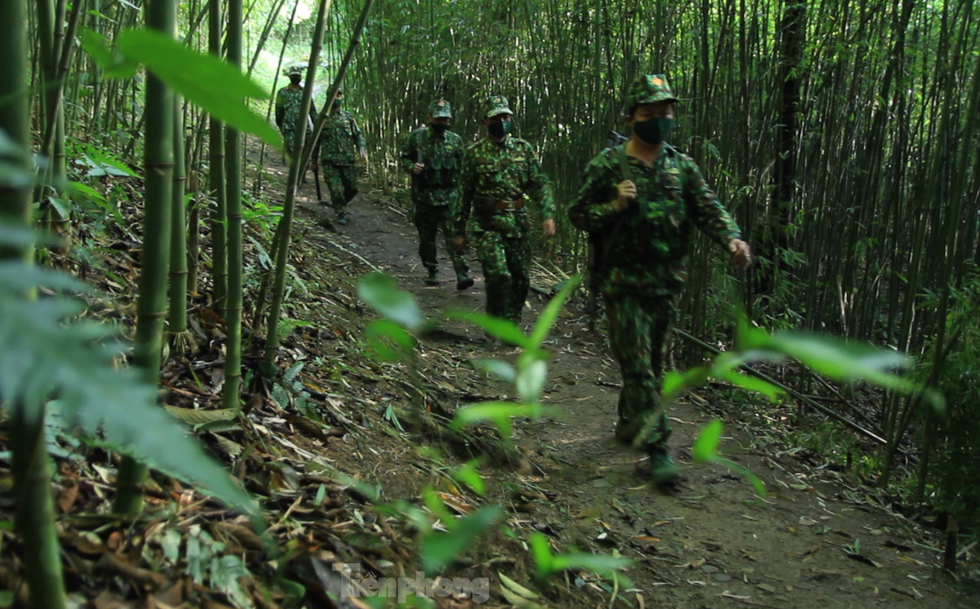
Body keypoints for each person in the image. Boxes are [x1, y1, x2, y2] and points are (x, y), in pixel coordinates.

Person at [568, 75, 752, 485]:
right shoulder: (608, 165)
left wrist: (733, 240)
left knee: (654, 366)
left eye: (665, 114)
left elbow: (708, 208)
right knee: (637, 367)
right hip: (621, 283)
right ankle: (659, 450)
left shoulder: (681, 166)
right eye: (649, 114)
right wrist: (613, 205)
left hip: (666, 284)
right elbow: (578, 214)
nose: (659, 120)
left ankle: (628, 418)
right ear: (631, 117)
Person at [454, 95, 555, 328]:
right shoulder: (474, 153)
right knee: (499, 275)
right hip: (487, 223)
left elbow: (539, 183)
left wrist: (547, 214)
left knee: (520, 278)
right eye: (497, 117)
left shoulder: (523, 149)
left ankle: (512, 321)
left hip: (517, 223)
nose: (503, 120)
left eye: (506, 116)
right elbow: (464, 193)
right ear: (485, 122)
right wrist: (458, 231)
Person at [399, 99, 473, 290]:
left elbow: (464, 168)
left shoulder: (455, 140)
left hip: (449, 197)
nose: (443, 123)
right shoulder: (418, 138)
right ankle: (432, 269)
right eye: (439, 119)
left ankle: (462, 272)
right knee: (427, 238)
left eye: (446, 119)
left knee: (454, 236)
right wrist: (412, 167)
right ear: (430, 117)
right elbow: (404, 157)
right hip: (424, 197)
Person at [316, 88, 366, 225]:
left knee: (353, 188)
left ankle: (339, 204)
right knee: (336, 189)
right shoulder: (321, 118)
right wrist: (313, 161)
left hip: (347, 160)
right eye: (334, 95)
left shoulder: (348, 117)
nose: (337, 97)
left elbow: (358, 135)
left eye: (339, 95)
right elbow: (315, 142)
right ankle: (341, 212)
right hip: (329, 161)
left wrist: (361, 147)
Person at [274, 65, 316, 166]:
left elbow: (312, 111)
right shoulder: (282, 92)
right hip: (289, 127)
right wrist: (282, 127)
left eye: (297, 76)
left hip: (304, 127)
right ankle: (294, 174)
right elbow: (278, 112)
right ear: (289, 77)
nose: (296, 77)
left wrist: (318, 126)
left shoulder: (305, 92)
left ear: (301, 77)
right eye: (293, 75)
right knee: (292, 151)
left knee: (305, 151)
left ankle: (302, 173)